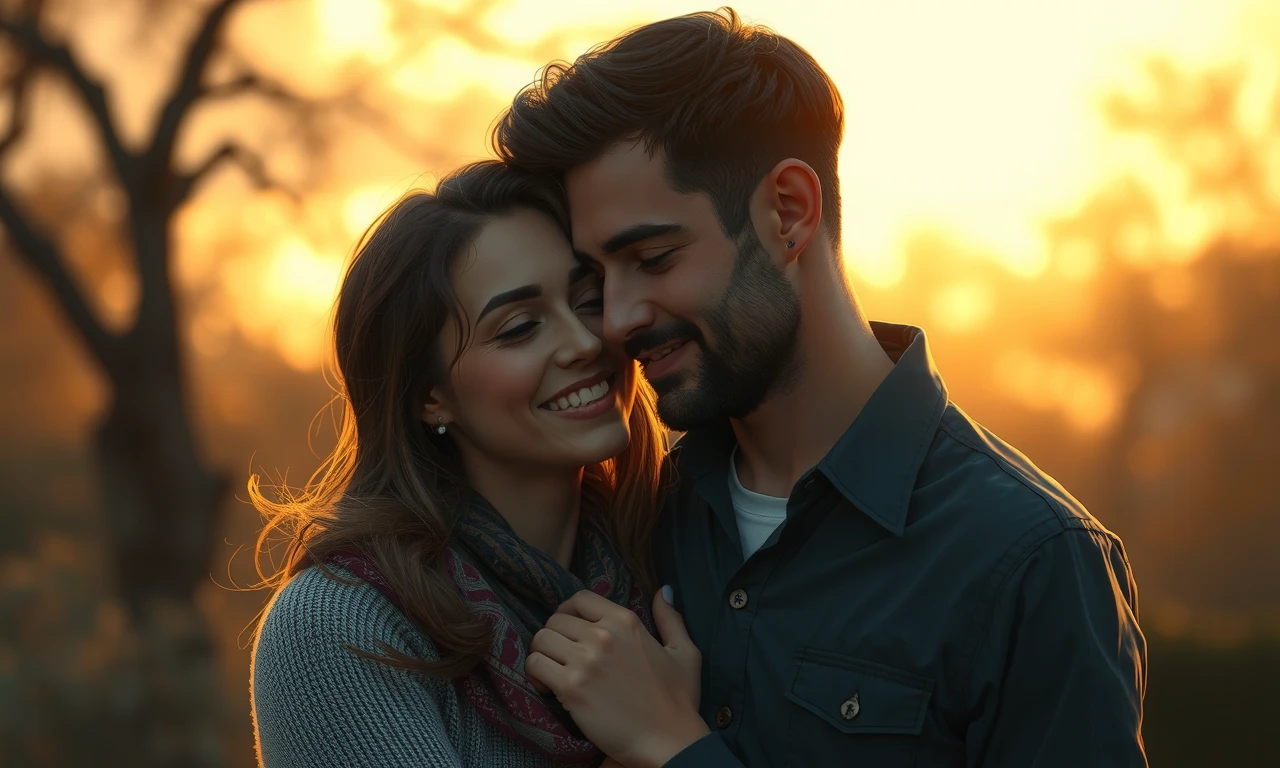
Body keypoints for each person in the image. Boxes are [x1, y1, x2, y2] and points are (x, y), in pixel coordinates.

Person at [496, 8, 1148, 768]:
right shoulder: (641, 520)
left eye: (652, 257)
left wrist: (677, 751)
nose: (616, 320)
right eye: (596, 278)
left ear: (788, 213)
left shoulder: (1030, 561)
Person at [248, 161, 692, 767]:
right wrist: (660, 743)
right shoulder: (341, 627)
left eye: (588, 300)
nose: (586, 342)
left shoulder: (680, 563)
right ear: (429, 395)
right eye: (520, 327)